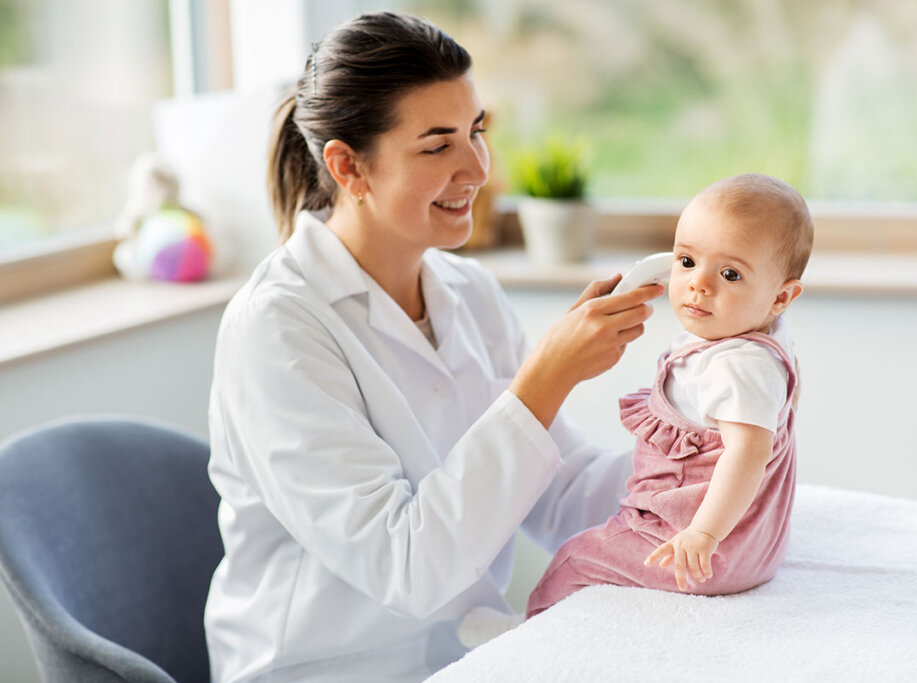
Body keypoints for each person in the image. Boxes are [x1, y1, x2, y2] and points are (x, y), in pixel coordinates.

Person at [202, 11, 662, 682]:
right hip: (325, 670)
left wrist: (700, 452)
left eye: (476, 131)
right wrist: (543, 380)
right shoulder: (277, 327)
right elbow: (408, 567)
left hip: (466, 654)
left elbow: (557, 492)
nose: (477, 167)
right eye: (437, 144)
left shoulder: (467, 290)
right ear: (348, 166)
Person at [526, 173, 813, 617]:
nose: (699, 284)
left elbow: (749, 454)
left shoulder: (737, 365)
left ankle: (520, 640)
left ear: (782, 297)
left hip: (700, 549)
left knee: (574, 559)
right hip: (753, 546)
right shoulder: (765, 334)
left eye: (730, 273)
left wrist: (704, 534)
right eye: (685, 262)